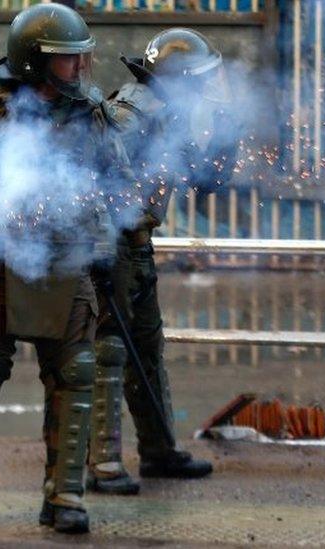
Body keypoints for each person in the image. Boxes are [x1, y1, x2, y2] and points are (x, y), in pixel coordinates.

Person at [0, 3, 132, 534]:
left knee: (75, 376)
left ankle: (65, 496)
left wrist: (107, 249)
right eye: (68, 59)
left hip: (70, 263)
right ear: (35, 61)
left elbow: (118, 184)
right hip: (0, 264)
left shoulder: (90, 111)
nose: (80, 69)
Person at [87, 27, 239, 494]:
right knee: (111, 351)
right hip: (113, 246)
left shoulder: (167, 112)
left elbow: (205, 180)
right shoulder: (133, 110)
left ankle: (157, 451)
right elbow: (93, 172)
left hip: (136, 246)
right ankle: (104, 463)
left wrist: (227, 129)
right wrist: (99, 248)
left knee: (146, 349)